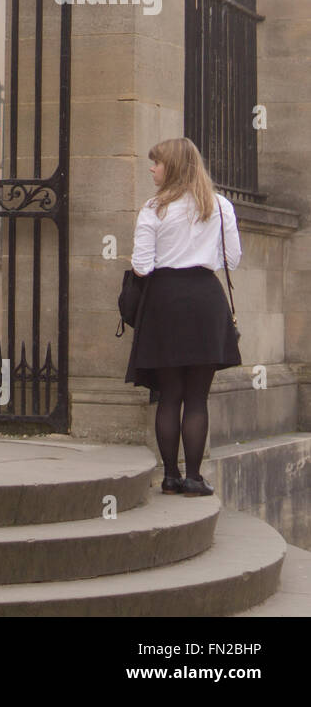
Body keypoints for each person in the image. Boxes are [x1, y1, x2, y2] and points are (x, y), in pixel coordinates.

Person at [124, 137, 241, 497]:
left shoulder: (153, 209)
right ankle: (194, 476)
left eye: (156, 163)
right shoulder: (219, 206)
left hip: (165, 302)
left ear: (171, 167)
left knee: (169, 394)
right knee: (197, 397)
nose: (151, 168)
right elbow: (231, 260)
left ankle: (171, 477)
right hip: (205, 301)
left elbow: (142, 267)